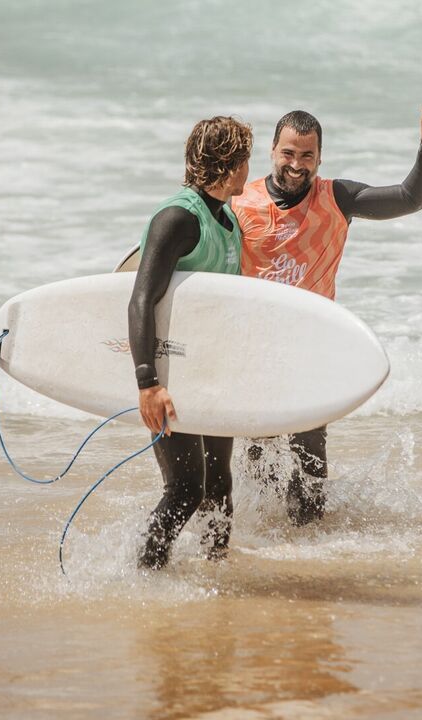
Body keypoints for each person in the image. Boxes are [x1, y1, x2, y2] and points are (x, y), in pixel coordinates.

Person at [230, 102, 422, 526]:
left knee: (309, 458)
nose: (296, 165)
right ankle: (264, 543)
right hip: (256, 351)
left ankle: (310, 549)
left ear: (320, 158)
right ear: (273, 151)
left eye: (307, 156)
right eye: (288, 153)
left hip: (312, 348)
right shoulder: (238, 202)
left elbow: (410, 198)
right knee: (259, 457)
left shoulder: (336, 197)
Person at [128, 116, 252, 569]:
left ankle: (215, 574)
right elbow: (140, 299)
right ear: (231, 164)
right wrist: (147, 383)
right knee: (185, 488)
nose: (248, 170)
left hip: (208, 371)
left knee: (219, 484)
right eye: (245, 160)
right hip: (168, 373)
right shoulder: (178, 218)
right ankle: (145, 576)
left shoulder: (225, 217)